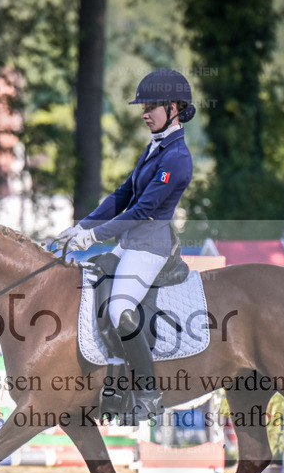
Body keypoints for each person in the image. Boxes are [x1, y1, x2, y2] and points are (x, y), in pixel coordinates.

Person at [55, 69, 196, 420]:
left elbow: (144, 210)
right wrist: (81, 226)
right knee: (92, 284)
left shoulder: (177, 158)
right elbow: (123, 196)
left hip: (150, 248)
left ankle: (148, 394)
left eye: (152, 106)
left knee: (120, 310)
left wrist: (94, 237)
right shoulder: (155, 148)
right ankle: (112, 379)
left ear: (174, 108)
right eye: (143, 106)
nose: (144, 113)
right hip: (130, 244)